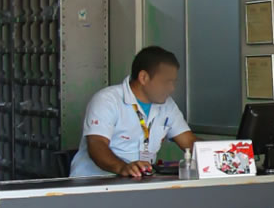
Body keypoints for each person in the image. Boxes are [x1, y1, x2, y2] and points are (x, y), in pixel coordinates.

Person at [70, 46, 195, 179]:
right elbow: (97, 144)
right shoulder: (107, 100)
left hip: (138, 182)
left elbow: (189, 141)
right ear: (144, 77)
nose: (171, 88)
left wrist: (210, 152)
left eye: (173, 82)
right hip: (94, 183)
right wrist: (122, 167)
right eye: (166, 82)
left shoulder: (167, 105)